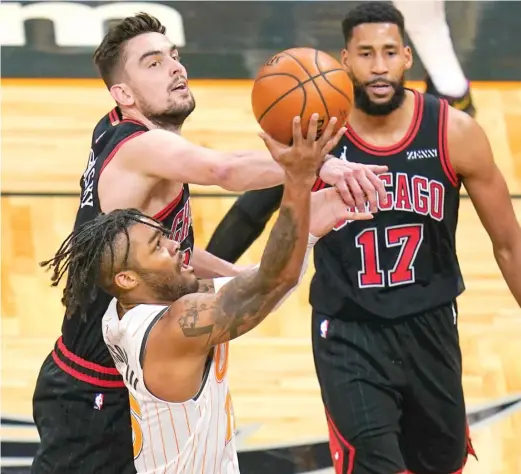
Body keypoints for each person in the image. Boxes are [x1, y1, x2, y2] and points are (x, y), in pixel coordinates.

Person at [30, 13, 389, 474]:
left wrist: (244, 277)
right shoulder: (139, 149)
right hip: (96, 385)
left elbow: (174, 249)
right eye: (153, 63)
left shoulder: (120, 132)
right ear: (123, 93)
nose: (176, 68)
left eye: (174, 56)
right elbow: (226, 170)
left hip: (125, 372)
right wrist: (318, 165)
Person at [210, 3, 521, 474]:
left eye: (389, 52)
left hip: (431, 327)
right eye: (366, 53)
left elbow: (509, 245)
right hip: (348, 332)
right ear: (345, 60)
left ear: (408, 58)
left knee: (442, 464)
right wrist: (197, 284)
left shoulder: (455, 133)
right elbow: (248, 216)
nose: (379, 66)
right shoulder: (320, 136)